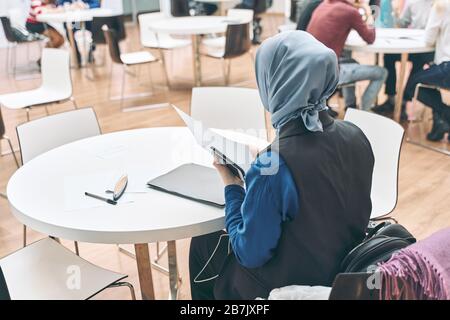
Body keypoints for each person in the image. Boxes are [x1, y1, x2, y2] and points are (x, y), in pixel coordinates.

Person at [189, 31, 375, 300]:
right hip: (345, 275)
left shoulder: (273, 164)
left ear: (273, 84)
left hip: (287, 287)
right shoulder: (356, 135)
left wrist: (233, 186)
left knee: (203, 244)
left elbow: (249, 253)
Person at [307, 0, 388, 111]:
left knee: (352, 62)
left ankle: (351, 106)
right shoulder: (350, 11)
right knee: (382, 73)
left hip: (310, 68)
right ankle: (363, 112)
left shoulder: (324, 4)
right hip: (327, 73)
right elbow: (370, 38)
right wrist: (369, 12)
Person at [373, 0, 435, 117]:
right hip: (415, 45)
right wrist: (395, 14)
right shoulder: (413, 2)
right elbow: (403, 23)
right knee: (389, 57)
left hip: (428, 49)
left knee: (419, 61)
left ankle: (405, 100)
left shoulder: (438, 5)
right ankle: (391, 98)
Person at [403, 0, 450, 141]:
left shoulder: (442, 5)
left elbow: (429, 39)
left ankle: (446, 115)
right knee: (430, 77)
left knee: (412, 85)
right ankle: (440, 123)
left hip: (447, 66)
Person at [57, 0, 101, 65]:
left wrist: (86, 6)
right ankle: (77, 54)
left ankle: (91, 50)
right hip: (75, 22)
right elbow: (60, 4)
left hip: (87, 21)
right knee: (70, 30)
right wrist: (69, 6)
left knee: (94, 27)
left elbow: (97, 4)